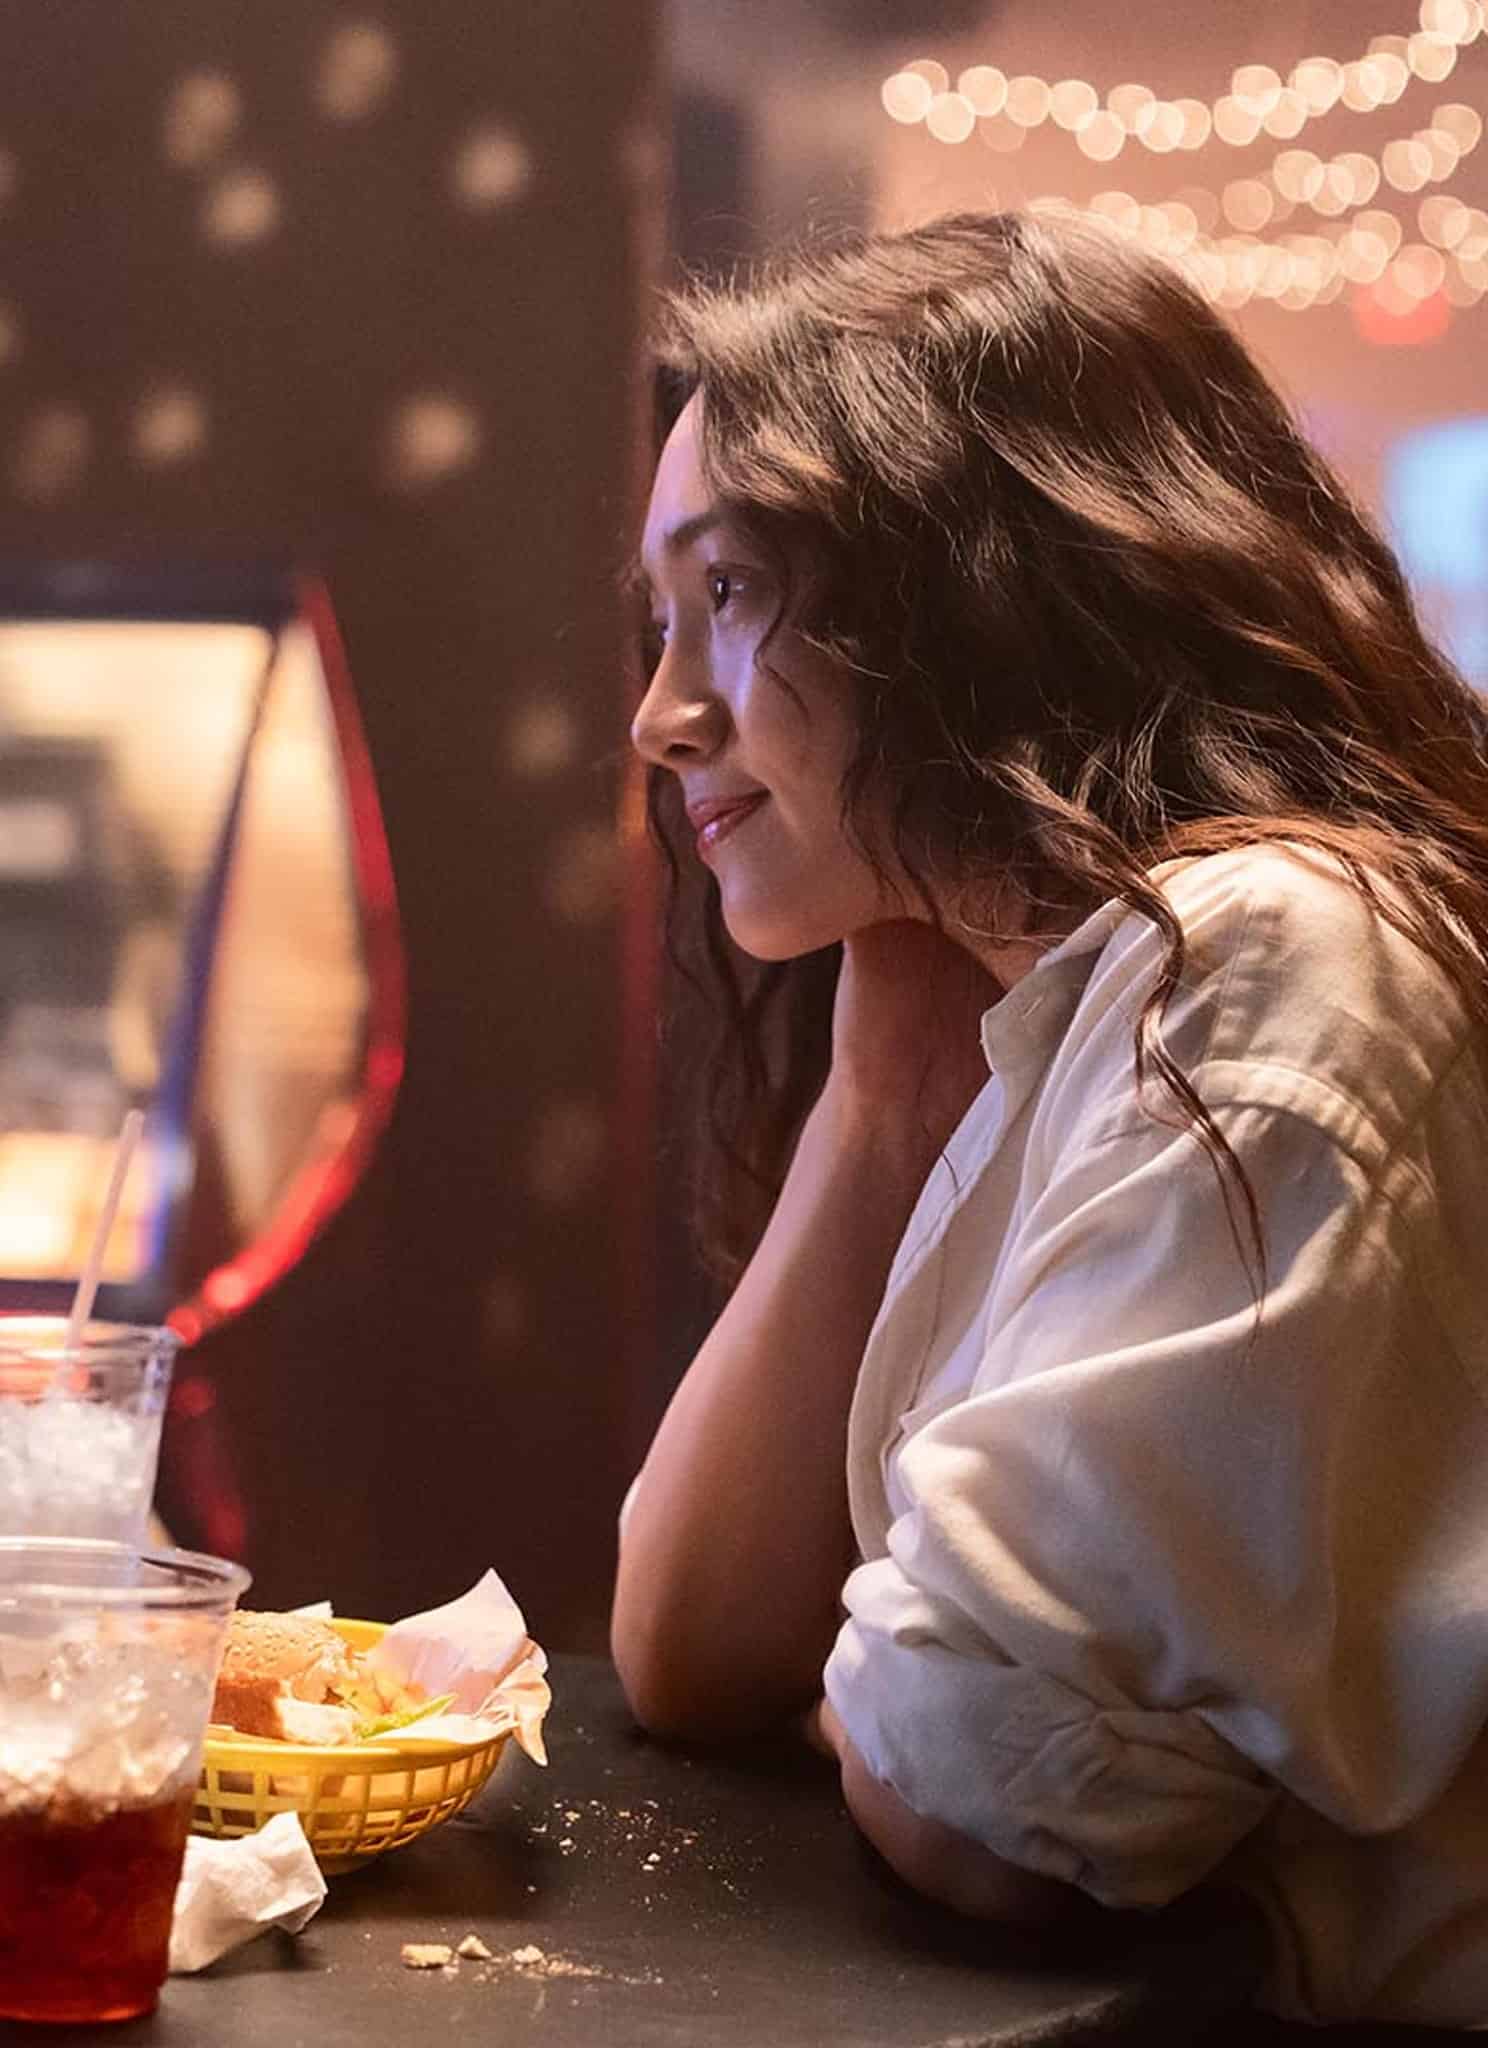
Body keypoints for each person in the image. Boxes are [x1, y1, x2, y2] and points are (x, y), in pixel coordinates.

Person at [610, 208, 1488, 2030]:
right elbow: (692, 1652)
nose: (661, 716)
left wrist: (922, 1672)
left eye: (731, 597)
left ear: (976, 584)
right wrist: (879, 1095)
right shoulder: (1057, 990)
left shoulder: (1271, 959)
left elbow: (994, 1811)